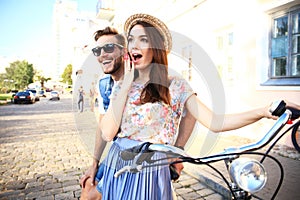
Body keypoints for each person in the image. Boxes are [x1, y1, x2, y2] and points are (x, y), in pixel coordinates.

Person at [96, 13, 300, 200]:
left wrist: (264, 111)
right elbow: (108, 132)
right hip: (119, 165)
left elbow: (214, 121)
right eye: (131, 39)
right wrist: (125, 84)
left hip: (152, 172)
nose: (134, 46)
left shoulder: (175, 84)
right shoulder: (123, 83)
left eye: (143, 39)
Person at [80, 26, 197, 200]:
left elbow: (190, 111)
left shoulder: (150, 79)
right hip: (118, 152)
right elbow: (103, 127)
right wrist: (94, 163)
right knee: (87, 190)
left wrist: (177, 150)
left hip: (146, 158)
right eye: (97, 50)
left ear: (124, 51)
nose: (102, 54)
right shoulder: (105, 84)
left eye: (109, 48)